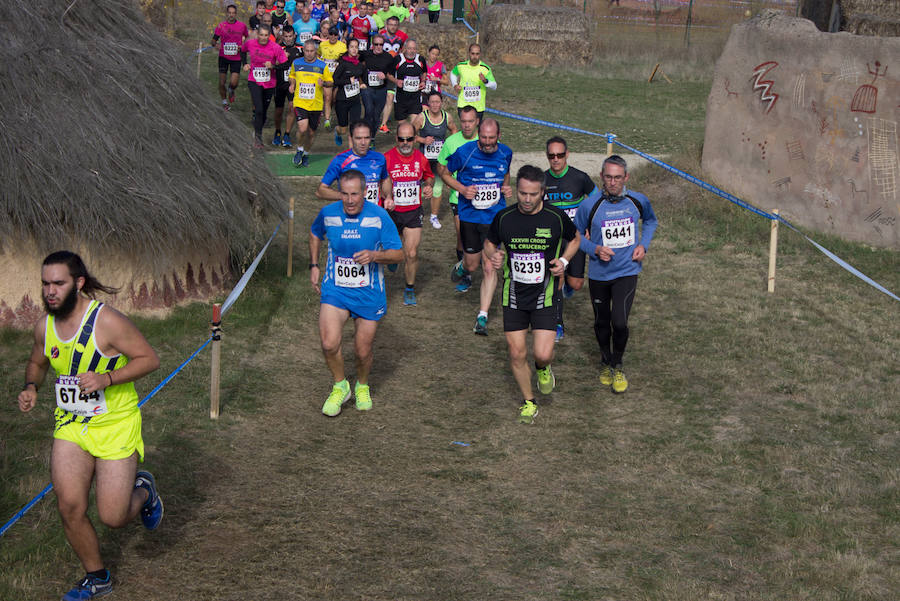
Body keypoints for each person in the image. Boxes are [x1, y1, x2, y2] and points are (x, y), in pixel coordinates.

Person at [17, 251, 162, 601]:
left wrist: (107, 378)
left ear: (78, 283)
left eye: (58, 283)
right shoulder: (45, 326)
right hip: (71, 425)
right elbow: (37, 361)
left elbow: (150, 359)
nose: (50, 291)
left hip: (115, 424)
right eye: (45, 284)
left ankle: (144, 491)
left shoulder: (107, 322)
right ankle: (97, 577)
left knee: (113, 516)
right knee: (69, 506)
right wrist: (31, 387)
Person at [483, 165, 580, 423]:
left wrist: (564, 261)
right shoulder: (504, 218)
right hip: (513, 296)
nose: (526, 199)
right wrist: (493, 256)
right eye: (522, 193)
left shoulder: (555, 218)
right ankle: (529, 401)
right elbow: (489, 243)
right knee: (516, 353)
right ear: (517, 190)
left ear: (542, 193)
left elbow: (576, 238)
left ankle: (543, 368)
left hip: (545, 297)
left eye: (532, 194)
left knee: (543, 354)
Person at [309, 170, 404, 416]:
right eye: (344, 194)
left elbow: (399, 254)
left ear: (364, 192)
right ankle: (341, 386)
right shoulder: (329, 214)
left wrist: (375, 256)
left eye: (354, 194)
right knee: (329, 344)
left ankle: (362, 385)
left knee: (362, 351)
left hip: (368, 293)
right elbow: (315, 233)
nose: (349, 200)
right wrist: (314, 265)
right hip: (336, 290)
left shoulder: (379, 216)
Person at [573, 155, 658, 394]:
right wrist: (595, 249)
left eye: (617, 177)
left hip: (627, 271)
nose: (612, 182)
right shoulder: (590, 206)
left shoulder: (637, 201)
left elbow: (651, 221)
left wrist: (644, 245)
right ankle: (604, 360)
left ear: (626, 177)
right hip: (600, 274)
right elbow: (575, 236)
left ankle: (617, 365)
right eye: (608, 177)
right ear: (601, 177)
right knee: (601, 321)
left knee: (619, 322)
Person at [439, 118, 513, 335]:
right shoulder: (464, 152)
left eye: (491, 138)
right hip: (470, 216)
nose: (487, 143)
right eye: (483, 138)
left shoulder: (506, 152)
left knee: (489, 266)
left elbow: (506, 171)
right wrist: (461, 189)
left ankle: (482, 316)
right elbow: (442, 171)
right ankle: (462, 267)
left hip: (494, 218)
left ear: (499, 136)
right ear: (478, 135)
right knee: (472, 265)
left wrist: (505, 186)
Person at [543, 135, 601, 340]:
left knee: (575, 284)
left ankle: (568, 284)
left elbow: (597, 202)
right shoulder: (542, 180)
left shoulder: (580, 177)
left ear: (567, 154)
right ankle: (557, 323)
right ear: (547, 156)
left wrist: (588, 225)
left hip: (574, 240)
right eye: (552, 156)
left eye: (560, 155)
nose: (556, 159)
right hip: (552, 241)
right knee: (556, 278)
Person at [384, 121, 435, 305]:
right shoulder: (387, 158)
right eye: (401, 139)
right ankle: (393, 255)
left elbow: (429, 176)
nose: (405, 143)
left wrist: (428, 187)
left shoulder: (421, 159)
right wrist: (387, 195)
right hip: (391, 212)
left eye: (409, 139)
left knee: (411, 253)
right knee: (395, 250)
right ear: (396, 139)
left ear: (415, 139)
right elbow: (382, 180)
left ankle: (409, 288)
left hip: (413, 211)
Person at [436, 105, 479, 291]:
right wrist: (449, 180)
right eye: (464, 121)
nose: (467, 125)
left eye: (471, 121)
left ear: (477, 121)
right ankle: (466, 274)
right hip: (459, 198)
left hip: (484, 200)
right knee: (463, 236)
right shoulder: (451, 142)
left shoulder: (485, 139)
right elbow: (440, 166)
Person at [317, 120, 390, 204]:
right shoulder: (340, 160)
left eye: (366, 138)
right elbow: (320, 191)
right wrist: (346, 196)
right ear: (351, 138)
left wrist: (388, 196)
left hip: (374, 214)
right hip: (351, 214)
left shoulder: (379, 158)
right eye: (358, 138)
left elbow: (385, 179)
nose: (363, 143)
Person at [414, 90, 456, 229]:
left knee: (437, 188)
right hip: (423, 160)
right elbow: (409, 136)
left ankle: (434, 216)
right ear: (428, 103)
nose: (435, 105)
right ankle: (415, 212)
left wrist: (448, 144)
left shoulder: (447, 117)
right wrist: (423, 139)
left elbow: (454, 132)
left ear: (441, 103)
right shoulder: (421, 117)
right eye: (432, 102)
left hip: (439, 160)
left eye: (437, 102)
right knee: (418, 186)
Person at [288, 39, 334, 167]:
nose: (309, 53)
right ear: (303, 50)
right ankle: (300, 149)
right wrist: (292, 84)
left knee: (311, 133)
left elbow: (331, 82)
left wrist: (324, 83)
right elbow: (292, 75)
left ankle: (306, 154)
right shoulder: (296, 63)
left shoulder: (322, 65)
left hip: (316, 104)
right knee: (302, 129)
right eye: (306, 51)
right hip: (300, 102)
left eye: (311, 51)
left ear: (316, 51)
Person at [243, 24, 289, 148]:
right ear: (258, 34)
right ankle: (258, 139)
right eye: (261, 35)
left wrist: (273, 66)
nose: (263, 38)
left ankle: (257, 133)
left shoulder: (275, 47)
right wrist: (245, 64)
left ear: (269, 36)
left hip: (269, 83)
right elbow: (242, 51)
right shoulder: (251, 43)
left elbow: (285, 64)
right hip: (254, 80)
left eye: (266, 35)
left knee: (263, 111)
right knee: (258, 109)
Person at [331, 38, 367, 147]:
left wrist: (362, 84)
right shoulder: (343, 64)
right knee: (343, 129)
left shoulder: (360, 65)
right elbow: (335, 80)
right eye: (352, 47)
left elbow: (361, 78)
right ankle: (337, 131)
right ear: (348, 48)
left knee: (354, 127)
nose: (354, 49)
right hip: (342, 100)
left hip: (355, 100)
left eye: (356, 47)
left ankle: (352, 151)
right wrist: (347, 81)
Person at [212, 4, 249, 112]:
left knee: (234, 82)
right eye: (230, 13)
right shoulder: (221, 26)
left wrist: (243, 46)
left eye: (233, 13)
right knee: (222, 82)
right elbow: (213, 40)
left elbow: (247, 38)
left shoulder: (242, 26)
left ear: (236, 14)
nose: (231, 15)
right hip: (223, 57)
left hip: (236, 58)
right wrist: (216, 45)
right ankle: (224, 102)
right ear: (226, 13)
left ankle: (231, 89)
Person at [273, 25, 303, 147]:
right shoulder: (277, 48)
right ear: (282, 36)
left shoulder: (300, 48)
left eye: (290, 36)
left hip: (293, 83)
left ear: (294, 35)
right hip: (280, 83)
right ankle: (278, 132)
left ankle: (287, 134)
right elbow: (272, 64)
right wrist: (282, 58)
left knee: (291, 107)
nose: (288, 39)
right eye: (286, 36)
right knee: (279, 110)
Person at [360, 33, 394, 141]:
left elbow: (391, 72)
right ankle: (365, 136)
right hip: (368, 89)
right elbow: (356, 64)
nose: (379, 47)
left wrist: (385, 76)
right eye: (376, 44)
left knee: (376, 116)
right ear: (372, 45)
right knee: (369, 111)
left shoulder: (388, 57)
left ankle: (372, 138)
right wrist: (361, 81)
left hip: (381, 90)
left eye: (381, 44)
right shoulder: (365, 54)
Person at [450, 43, 496, 121]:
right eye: (473, 53)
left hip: (478, 107)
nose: (475, 56)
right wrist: (455, 84)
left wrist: (485, 81)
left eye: (477, 54)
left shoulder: (485, 68)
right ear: (469, 53)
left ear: (480, 54)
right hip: (463, 104)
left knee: (476, 130)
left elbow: (494, 86)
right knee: (466, 128)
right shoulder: (461, 66)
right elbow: (453, 74)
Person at [387, 39, 426, 124]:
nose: (412, 51)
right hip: (401, 99)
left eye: (414, 49)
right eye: (409, 48)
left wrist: (423, 81)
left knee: (414, 125)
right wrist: (396, 81)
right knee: (402, 127)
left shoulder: (420, 59)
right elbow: (389, 75)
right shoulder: (398, 59)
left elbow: (424, 72)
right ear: (405, 48)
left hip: (415, 98)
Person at [318, 28, 347, 128]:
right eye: (331, 34)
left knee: (334, 99)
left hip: (337, 76)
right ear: (328, 35)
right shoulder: (322, 45)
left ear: (338, 36)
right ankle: (327, 119)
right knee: (327, 97)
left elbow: (345, 60)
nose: (333, 37)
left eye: (335, 35)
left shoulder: (343, 46)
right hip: (326, 76)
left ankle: (328, 112)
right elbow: (318, 55)